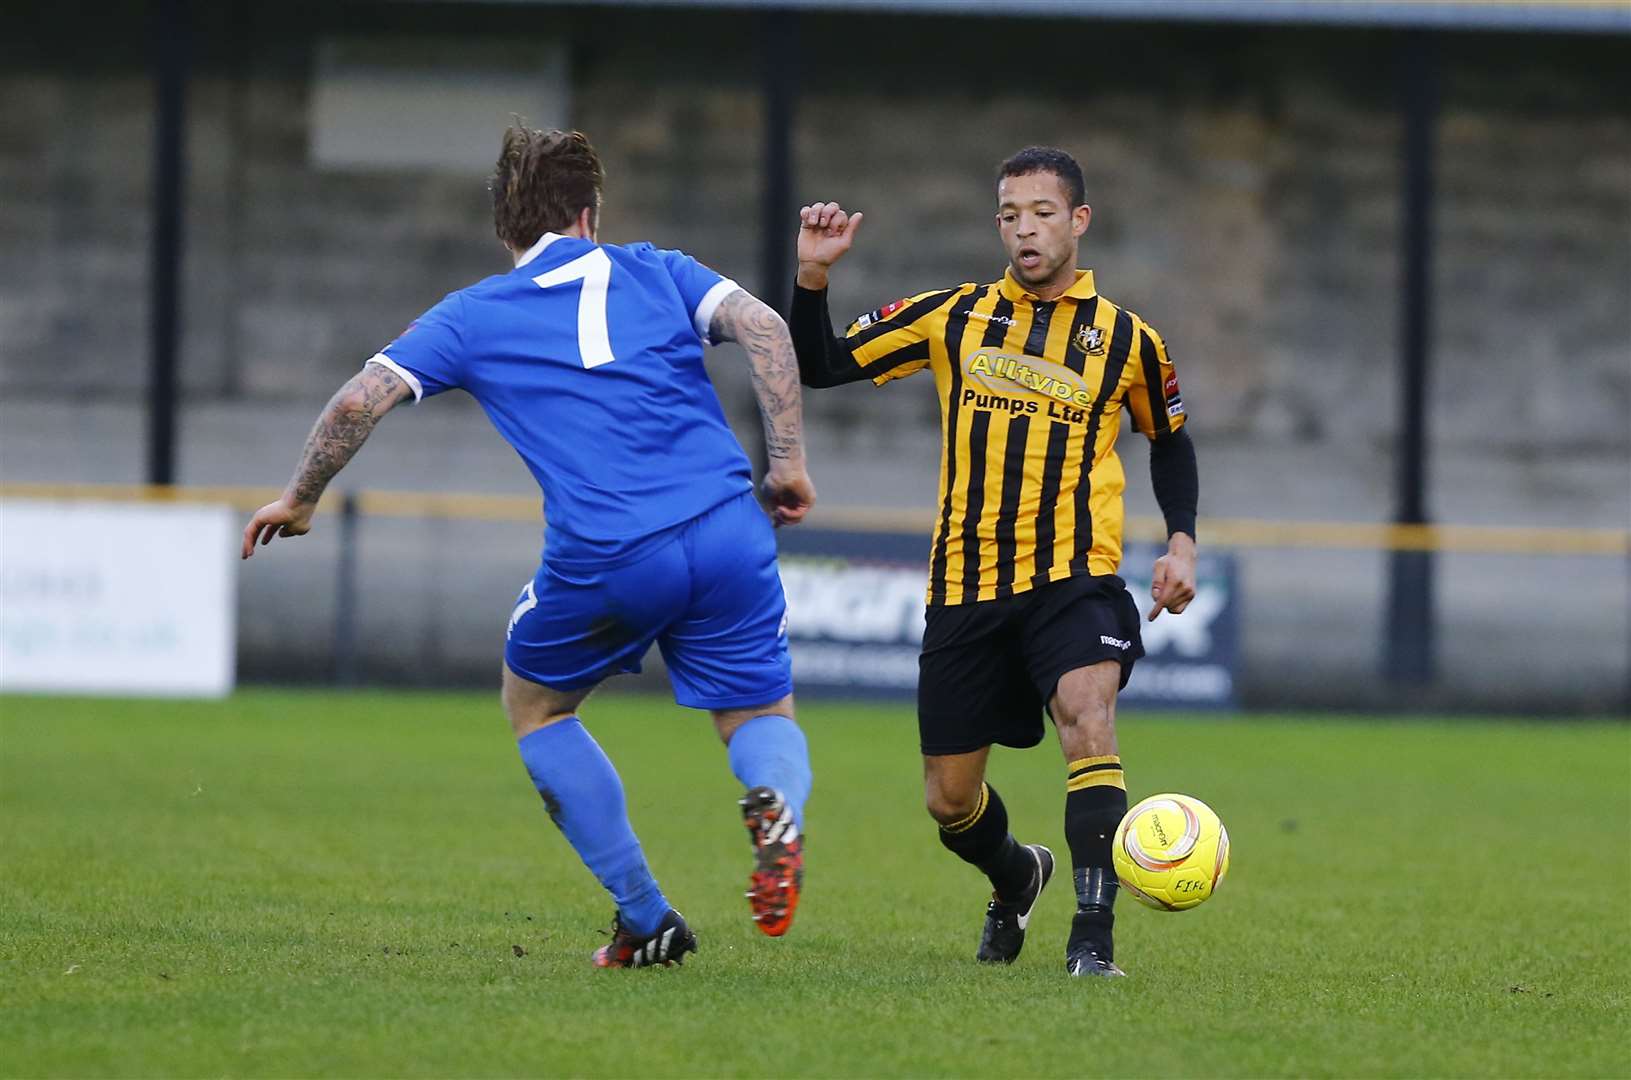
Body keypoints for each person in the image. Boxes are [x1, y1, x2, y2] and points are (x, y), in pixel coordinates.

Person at [242, 126, 817, 969]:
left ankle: (645, 915)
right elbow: (764, 326)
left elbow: (358, 401)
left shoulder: (475, 313)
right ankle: (775, 804)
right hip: (729, 527)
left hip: (612, 551)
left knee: (537, 707)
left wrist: (300, 498)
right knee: (759, 714)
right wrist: (790, 463)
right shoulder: (659, 268)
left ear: (506, 228)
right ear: (591, 213)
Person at [787, 146, 1199, 978]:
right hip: (966, 584)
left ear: (1077, 221)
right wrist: (812, 278)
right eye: (1009, 215)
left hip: (1074, 575)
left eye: (1041, 213)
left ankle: (1092, 941)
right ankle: (1017, 874)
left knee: (1087, 718)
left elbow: (1170, 439)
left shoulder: (1127, 340)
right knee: (948, 800)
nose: (1023, 230)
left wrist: (1181, 540)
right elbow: (820, 365)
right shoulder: (953, 314)